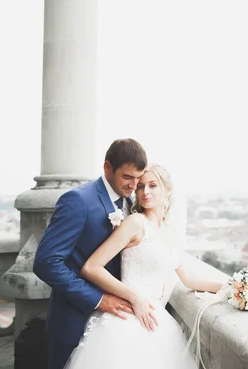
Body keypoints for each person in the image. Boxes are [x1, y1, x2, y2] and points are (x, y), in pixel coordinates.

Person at [64, 163, 224, 369]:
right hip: (127, 319)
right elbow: (91, 267)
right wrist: (135, 297)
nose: (145, 191)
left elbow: (189, 279)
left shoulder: (169, 234)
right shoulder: (135, 223)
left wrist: (230, 287)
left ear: (167, 190)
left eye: (152, 185)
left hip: (157, 323)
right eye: (140, 186)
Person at [33, 139, 148, 369]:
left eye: (139, 178)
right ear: (107, 168)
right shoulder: (78, 201)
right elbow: (46, 263)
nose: (134, 185)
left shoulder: (131, 201)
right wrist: (98, 299)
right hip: (74, 321)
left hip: (115, 329)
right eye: (127, 177)